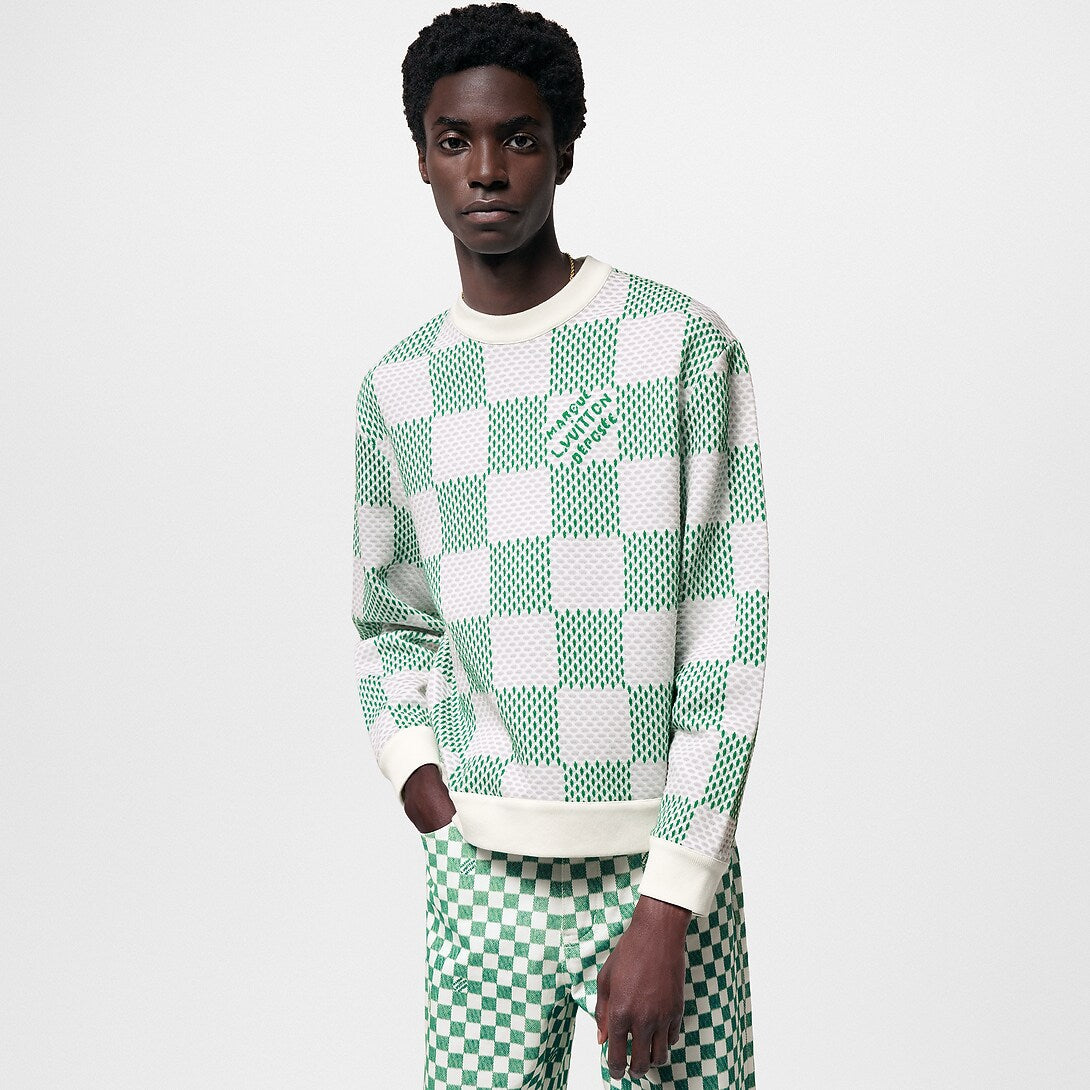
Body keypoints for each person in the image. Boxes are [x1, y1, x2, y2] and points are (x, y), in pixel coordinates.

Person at [351, 4, 770, 1086]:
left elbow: (726, 636)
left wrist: (669, 902)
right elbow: (391, 615)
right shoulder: (399, 388)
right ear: (422, 157)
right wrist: (415, 769)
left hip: (656, 875)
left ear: (565, 151)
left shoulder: (679, 346)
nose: (487, 170)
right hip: (481, 876)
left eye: (520, 138)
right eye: (455, 140)